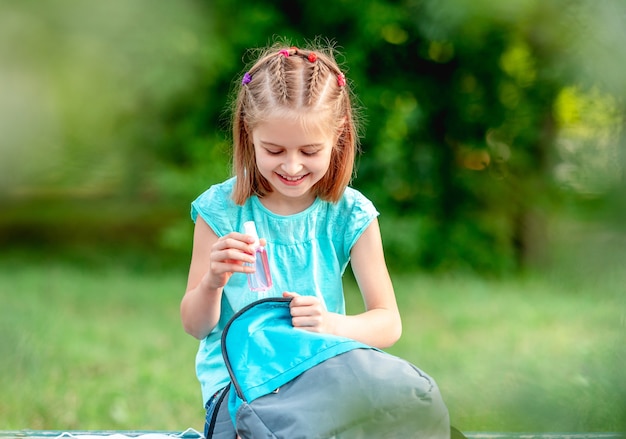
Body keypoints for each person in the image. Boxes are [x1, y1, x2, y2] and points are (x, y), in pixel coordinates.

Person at [180, 42, 402, 436]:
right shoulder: (221, 211)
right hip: (239, 390)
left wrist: (330, 323)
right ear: (249, 136)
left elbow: (388, 324)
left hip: (320, 381)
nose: (293, 165)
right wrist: (213, 281)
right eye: (275, 149)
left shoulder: (350, 215)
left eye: (310, 150)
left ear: (338, 138)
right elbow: (195, 325)